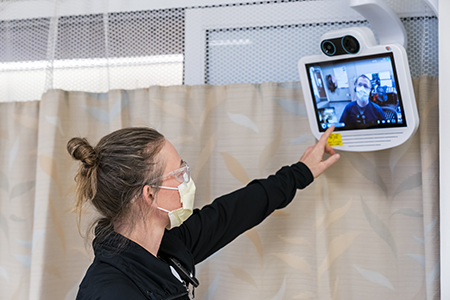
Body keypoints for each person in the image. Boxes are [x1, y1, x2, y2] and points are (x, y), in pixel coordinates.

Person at [67, 126, 340, 300]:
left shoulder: (169, 246)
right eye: (178, 172)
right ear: (150, 195)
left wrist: (301, 172)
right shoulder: (110, 291)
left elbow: (235, 211)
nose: (187, 179)